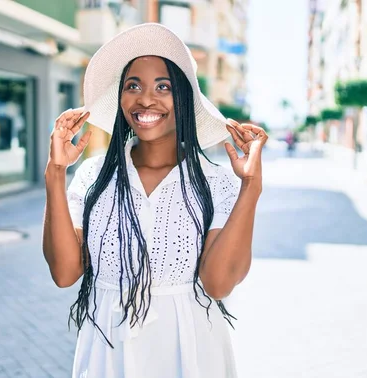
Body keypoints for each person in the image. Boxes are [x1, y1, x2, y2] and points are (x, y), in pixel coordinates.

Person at [42, 23, 267, 378]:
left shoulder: (215, 181)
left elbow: (219, 284)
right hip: (108, 352)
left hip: (190, 352)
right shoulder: (93, 176)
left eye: (163, 86)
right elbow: (64, 273)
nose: (146, 99)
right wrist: (55, 174)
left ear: (183, 98)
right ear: (120, 98)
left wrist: (250, 186)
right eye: (133, 86)